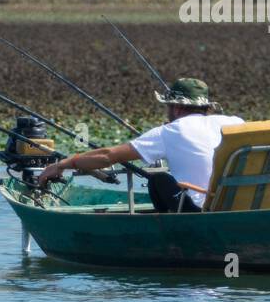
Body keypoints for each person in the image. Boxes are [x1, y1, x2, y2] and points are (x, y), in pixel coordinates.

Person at [35, 78, 243, 212]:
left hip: (200, 210)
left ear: (177, 108)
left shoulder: (170, 131)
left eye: (168, 106)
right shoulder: (234, 122)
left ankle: (173, 234)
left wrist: (62, 164)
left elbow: (107, 156)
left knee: (158, 179)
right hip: (239, 206)